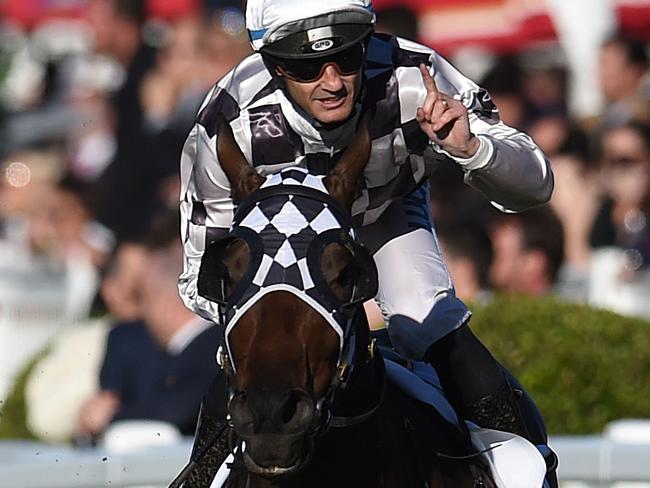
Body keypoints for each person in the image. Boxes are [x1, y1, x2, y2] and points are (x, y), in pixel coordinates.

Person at [178, 0, 557, 484]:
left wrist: (474, 150)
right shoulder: (223, 125)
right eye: (307, 65)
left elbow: (537, 186)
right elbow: (199, 279)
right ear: (273, 66)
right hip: (274, 252)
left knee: (424, 319)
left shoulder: (414, 74)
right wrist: (297, 310)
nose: (333, 82)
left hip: (381, 214)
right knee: (247, 351)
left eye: (348, 57)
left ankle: (528, 462)